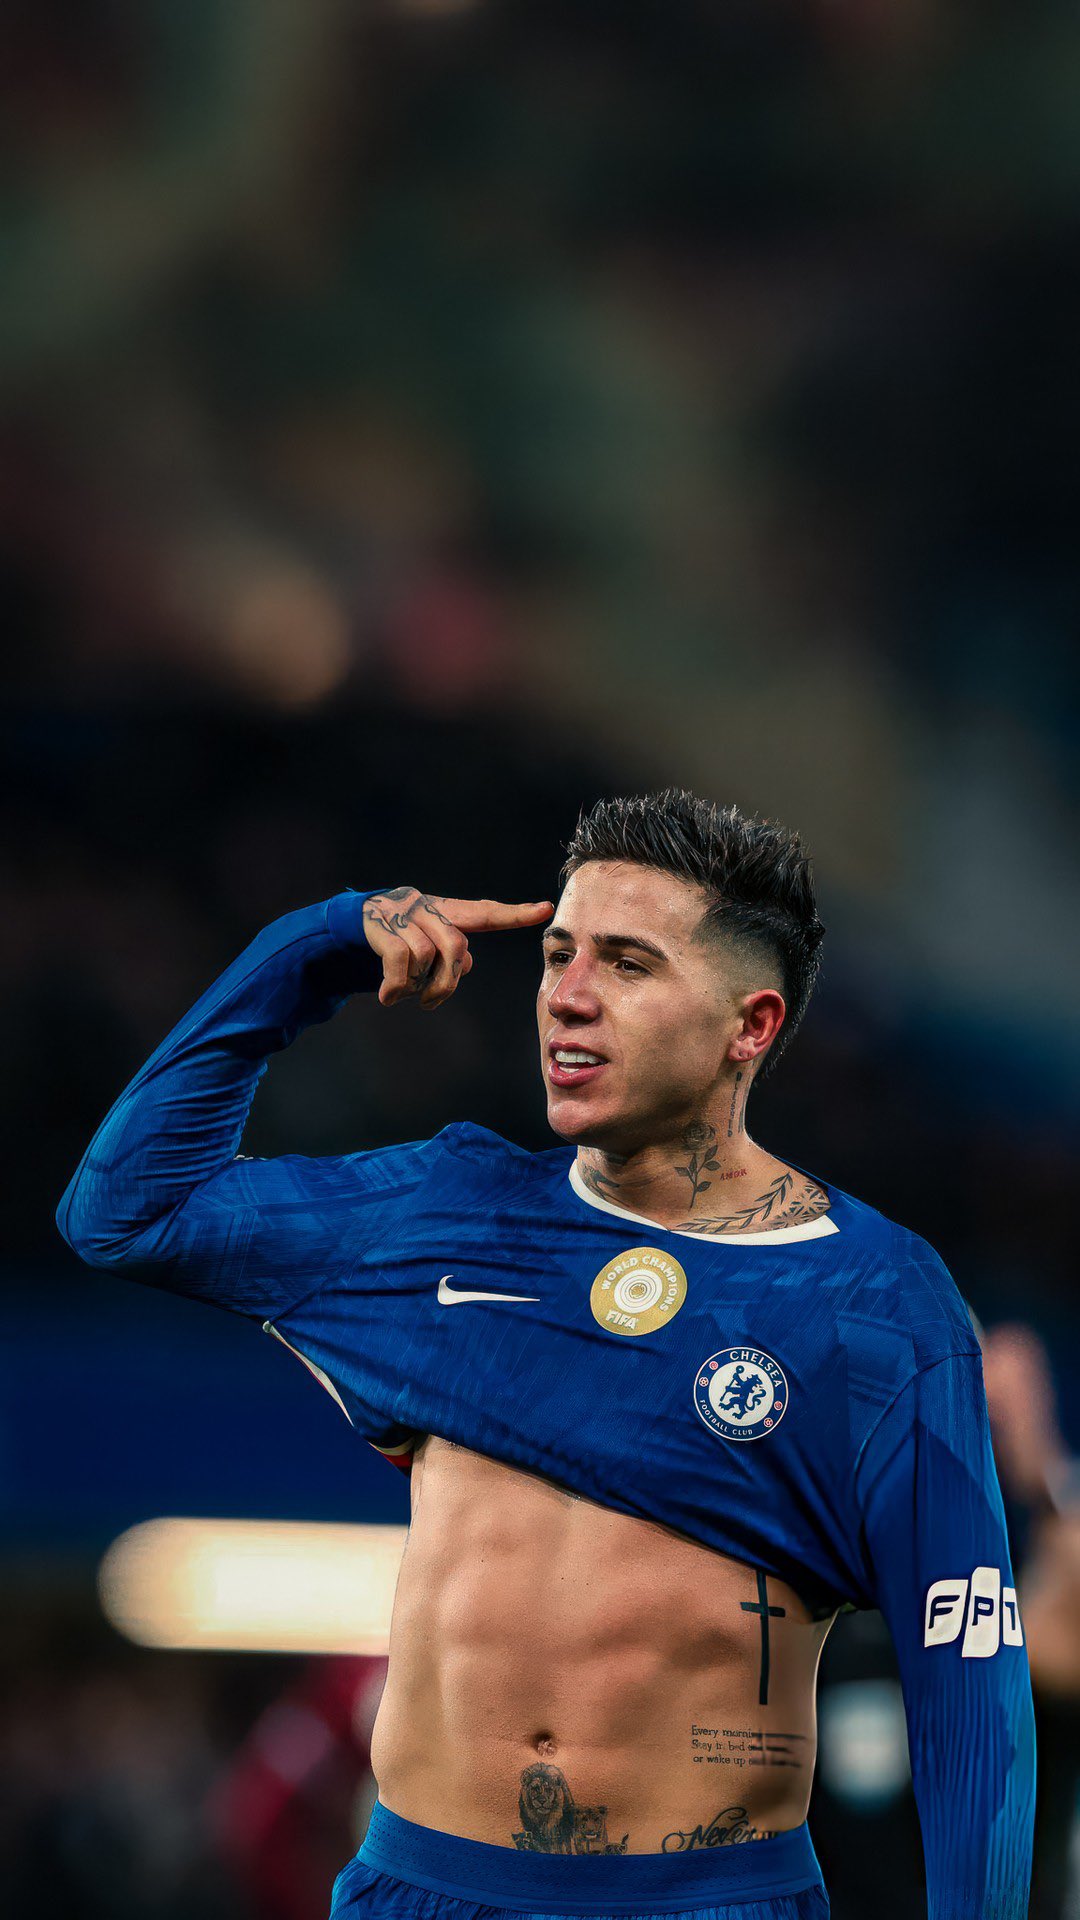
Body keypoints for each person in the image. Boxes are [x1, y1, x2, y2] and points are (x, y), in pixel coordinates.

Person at [58, 789, 1035, 1920]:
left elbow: (969, 1689)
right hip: (419, 1894)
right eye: (560, 953)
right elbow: (125, 1211)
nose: (568, 995)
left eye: (628, 964)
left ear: (751, 1026)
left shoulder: (876, 1301)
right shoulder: (439, 1210)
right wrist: (312, 952)